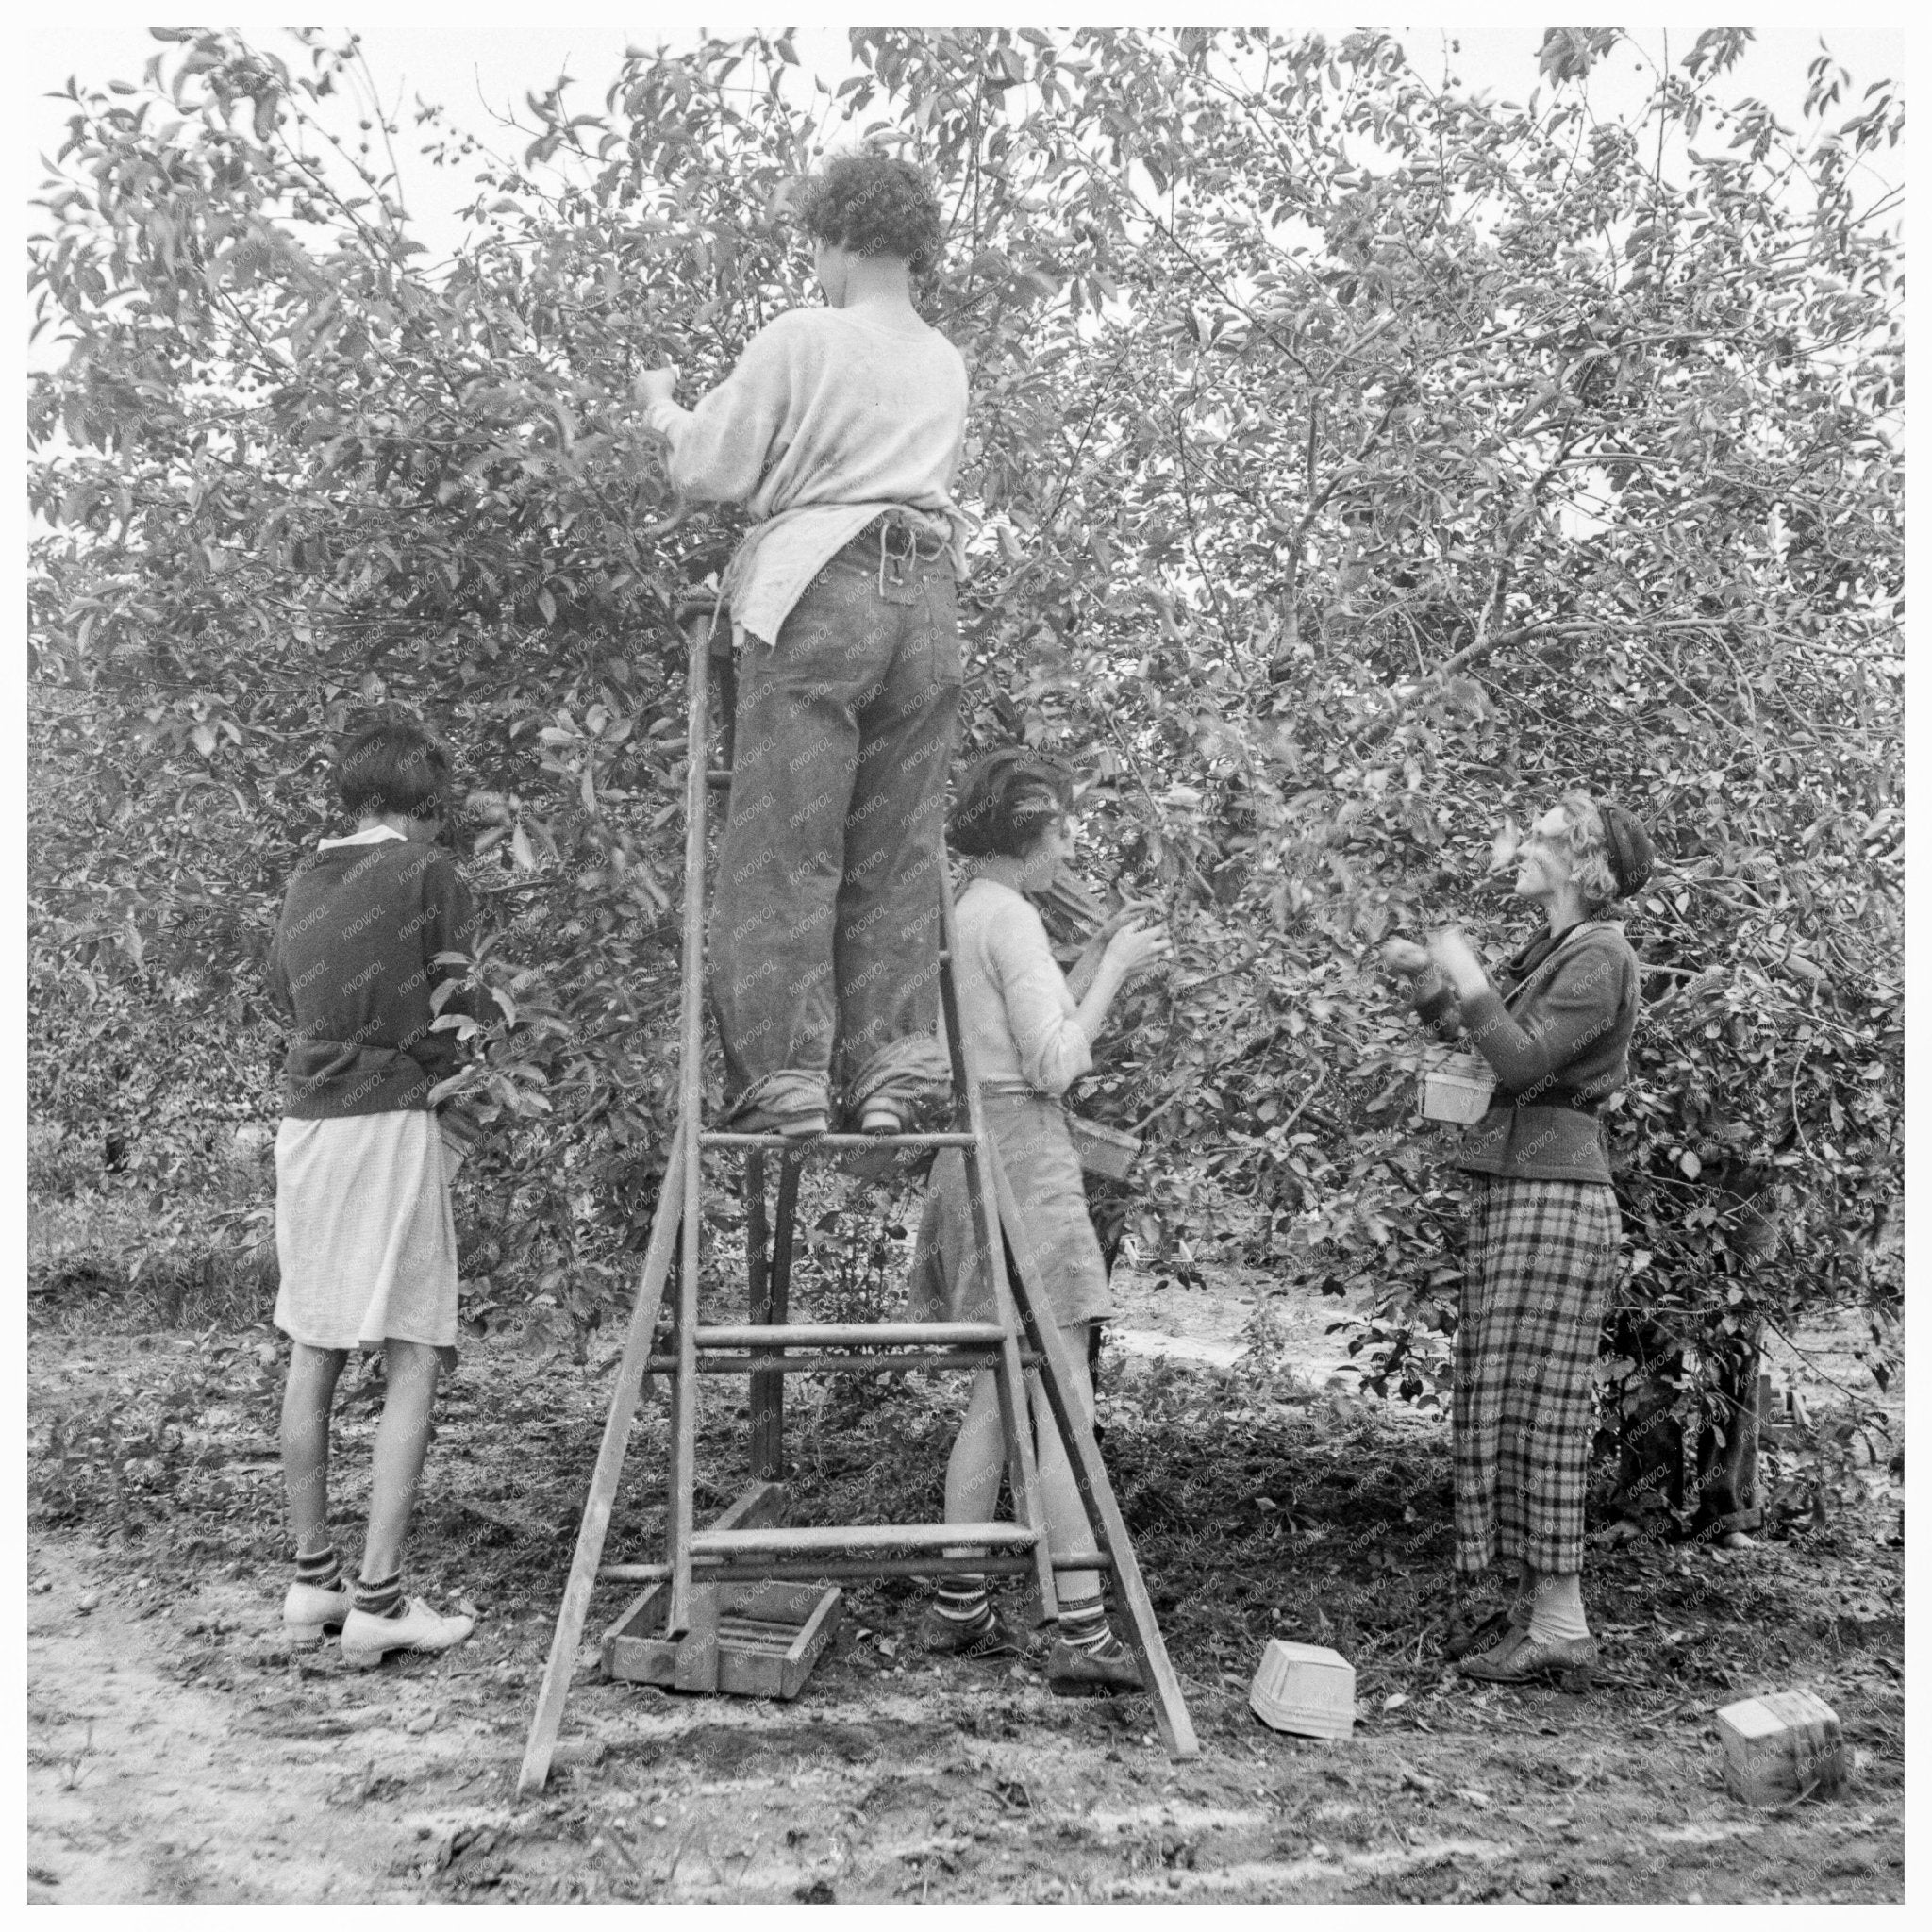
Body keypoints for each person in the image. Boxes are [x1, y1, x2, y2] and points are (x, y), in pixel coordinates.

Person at [636, 150, 971, 1139]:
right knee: (896, 847)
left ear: (831, 240)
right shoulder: (942, 359)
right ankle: (892, 1073)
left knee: (785, 841)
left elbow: (709, 464)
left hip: (822, 589)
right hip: (927, 603)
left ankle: (786, 1077)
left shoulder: (805, 334)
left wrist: (659, 402)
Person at [909, 751, 1171, 1695]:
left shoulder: (966, 906)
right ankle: (1080, 1625)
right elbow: (1055, 1061)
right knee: (1062, 1399)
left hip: (968, 1156)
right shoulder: (1013, 916)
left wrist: (1090, 957)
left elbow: (1004, 1015)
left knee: (999, 1391)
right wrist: (1118, 974)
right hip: (1024, 1155)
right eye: (1059, 826)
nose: (1069, 841)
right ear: (1025, 833)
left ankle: (958, 1602)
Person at [1383, 791, 1654, 1692]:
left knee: (1538, 1409)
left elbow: (1526, 1062)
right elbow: (1483, 1034)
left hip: (1556, 1198)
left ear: (1584, 864)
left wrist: (1466, 973)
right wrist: (1432, 979)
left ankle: (1563, 1627)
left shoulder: (1602, 953)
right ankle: (1541, 1617)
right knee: (1502, 1402)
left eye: (1541, 838)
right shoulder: (1554, 950)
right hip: (1518, 1189)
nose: (1524, 847)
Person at [267, 719, 481, 1668]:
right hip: (390, 1118)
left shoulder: (306, 878)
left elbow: (286, 995)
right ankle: (380, 1597)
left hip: (307, 1123)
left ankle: (312, 1576)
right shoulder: (431, 875)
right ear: (426, 803)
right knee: (412, 1350)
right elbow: (459, 1007)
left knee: (313, 1339)